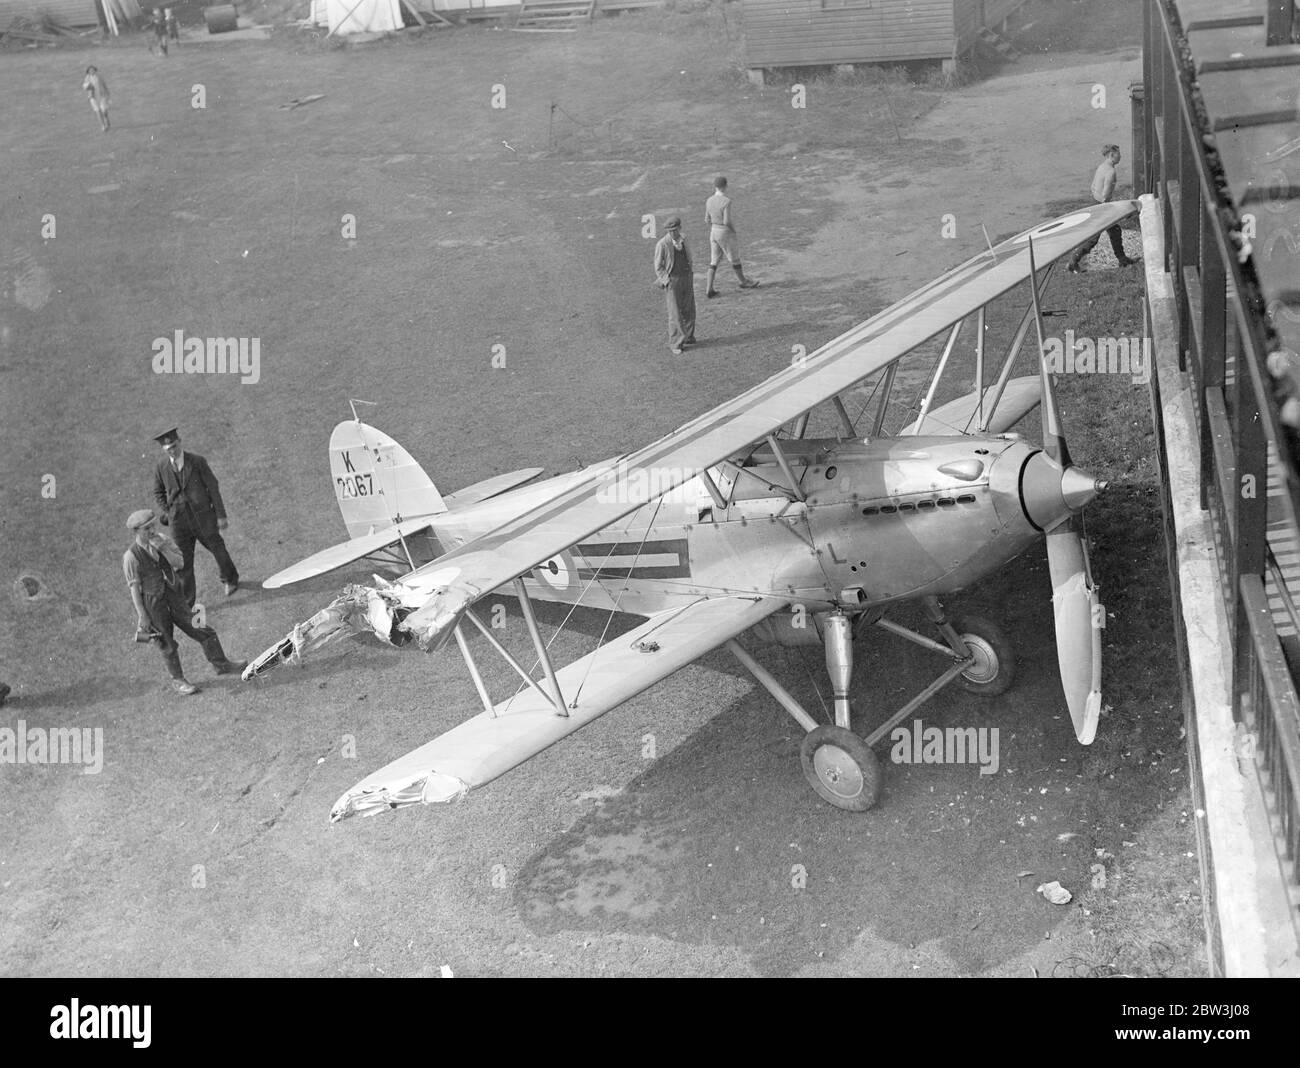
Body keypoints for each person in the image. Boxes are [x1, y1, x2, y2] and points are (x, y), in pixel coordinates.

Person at [123, 509, 245, 696]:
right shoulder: (131, 557)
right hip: (153, 604)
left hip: (176, 596)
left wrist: (163, 547)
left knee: (202, 629)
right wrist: (142, 616)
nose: (152, 531)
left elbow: (180, 564)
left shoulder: (162, 540)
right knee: (166, 644)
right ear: (136, 531)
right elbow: (134, 589)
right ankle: (178, 681)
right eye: (147, 529)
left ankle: (221, 664)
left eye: (153, 525)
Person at [151, 427, 240, 604]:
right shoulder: (161, 467)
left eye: (175, 446)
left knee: (218, 549)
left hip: (203, 518)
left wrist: (221, 515)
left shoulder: (197, 462)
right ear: (164, 450)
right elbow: (158, 492)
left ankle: (230, 580)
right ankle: (188, 602)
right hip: (179, 523)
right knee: (183, 562)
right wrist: (169, 511)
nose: (173, 451)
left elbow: (213, 487)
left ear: (180, 442)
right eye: (169, 449)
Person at [1067, 144, 1139, 273]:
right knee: (1094, 238)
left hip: (1095, 202)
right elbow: (1106, 196)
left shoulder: (1101, 167)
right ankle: (1073, 262)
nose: (1120, 156)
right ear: (1112, 155)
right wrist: (1111, 209)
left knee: (1115, 231)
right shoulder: (1111, 172)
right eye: (1119, 154)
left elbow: (1093, 186)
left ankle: (1122, 259)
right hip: (1102, 206)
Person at [704, 176, 759, 297]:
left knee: (713, 261)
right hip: (724, 232)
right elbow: (727, 221)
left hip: (713, 230)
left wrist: (714, 228)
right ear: (725, 186)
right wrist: (734, 231)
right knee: (734, 258)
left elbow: (706, 219)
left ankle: (709, 288)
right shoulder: (726, 201)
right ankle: (743, 281)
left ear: (715, 186)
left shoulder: (709, 200)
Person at [653, 216, 696, 356]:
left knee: (689, 309)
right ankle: (676, 343)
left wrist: (690, 272)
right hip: (673, 281)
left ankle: (689, 337)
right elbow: (658, 266)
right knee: (675, 314)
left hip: (686, 278)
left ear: (679, 228)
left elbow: (689, 256)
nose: (672, 233)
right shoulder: (662, 244)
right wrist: (666, 281)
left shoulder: (684, 239)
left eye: (674, 230)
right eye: (670, 231)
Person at [82, 66, 110, 133]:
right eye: (90, 70)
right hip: (93, 98)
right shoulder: (87, 78)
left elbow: (104, 84)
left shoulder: (99, 76)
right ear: (88, 72)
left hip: (102, 96)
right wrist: (88, 87)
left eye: (93, 70)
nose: (91, 71)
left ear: (95, 70)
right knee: (98, 111)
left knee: (104, 111)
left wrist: (107, 93)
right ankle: (103, 126)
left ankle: (107, 120)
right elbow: (85, 87)